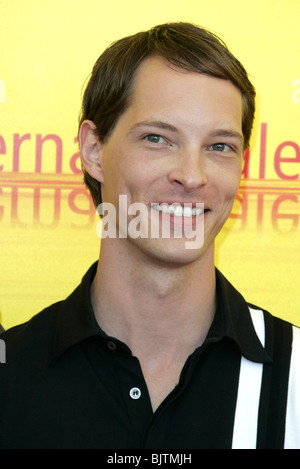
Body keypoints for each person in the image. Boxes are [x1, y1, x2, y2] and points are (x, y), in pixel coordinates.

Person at [0, 22, 299, 450]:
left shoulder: (296, 377)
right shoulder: (9, 375)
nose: (193, 176)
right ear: (93, 151)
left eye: (219, 146)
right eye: (157, 138)